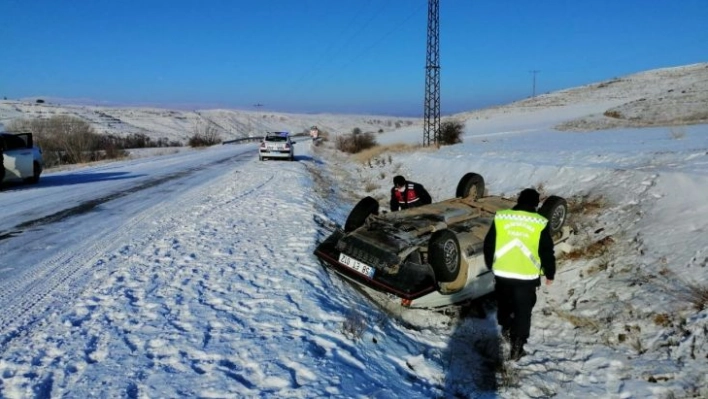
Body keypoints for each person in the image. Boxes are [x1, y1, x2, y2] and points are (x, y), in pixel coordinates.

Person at [483, 188, 556, 361]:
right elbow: (546, 251)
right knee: (523, 312)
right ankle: (517, 347)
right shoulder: (540, 222)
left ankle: (506, 328)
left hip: (502, 273)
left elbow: (489, 244)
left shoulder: (502, 217)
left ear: (518, 200)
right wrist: (550, 273)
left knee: (504, 304)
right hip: (526, 277)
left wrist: (490, 264)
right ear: (536, 203)